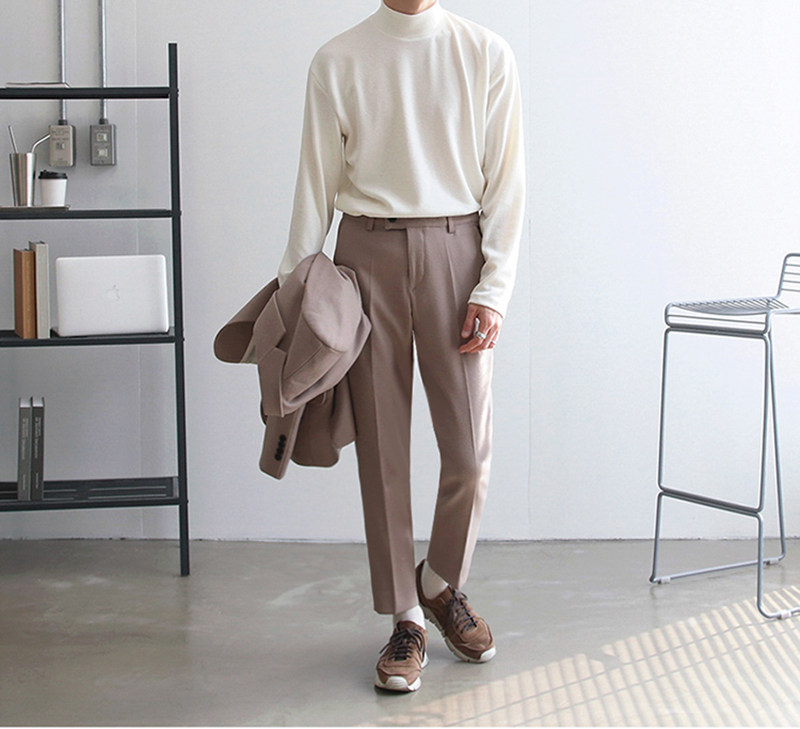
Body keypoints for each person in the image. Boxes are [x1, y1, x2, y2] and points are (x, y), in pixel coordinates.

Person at [277, 0, 525, 692]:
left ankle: (440, 581)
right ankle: (406, 616)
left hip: (457, 251)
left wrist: (495, 289)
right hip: (365, 256)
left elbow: (508, 182)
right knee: (383, 450)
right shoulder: (338, 59)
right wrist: (293, 294)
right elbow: (314, 185)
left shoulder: (486, 53)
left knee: (468, 451)